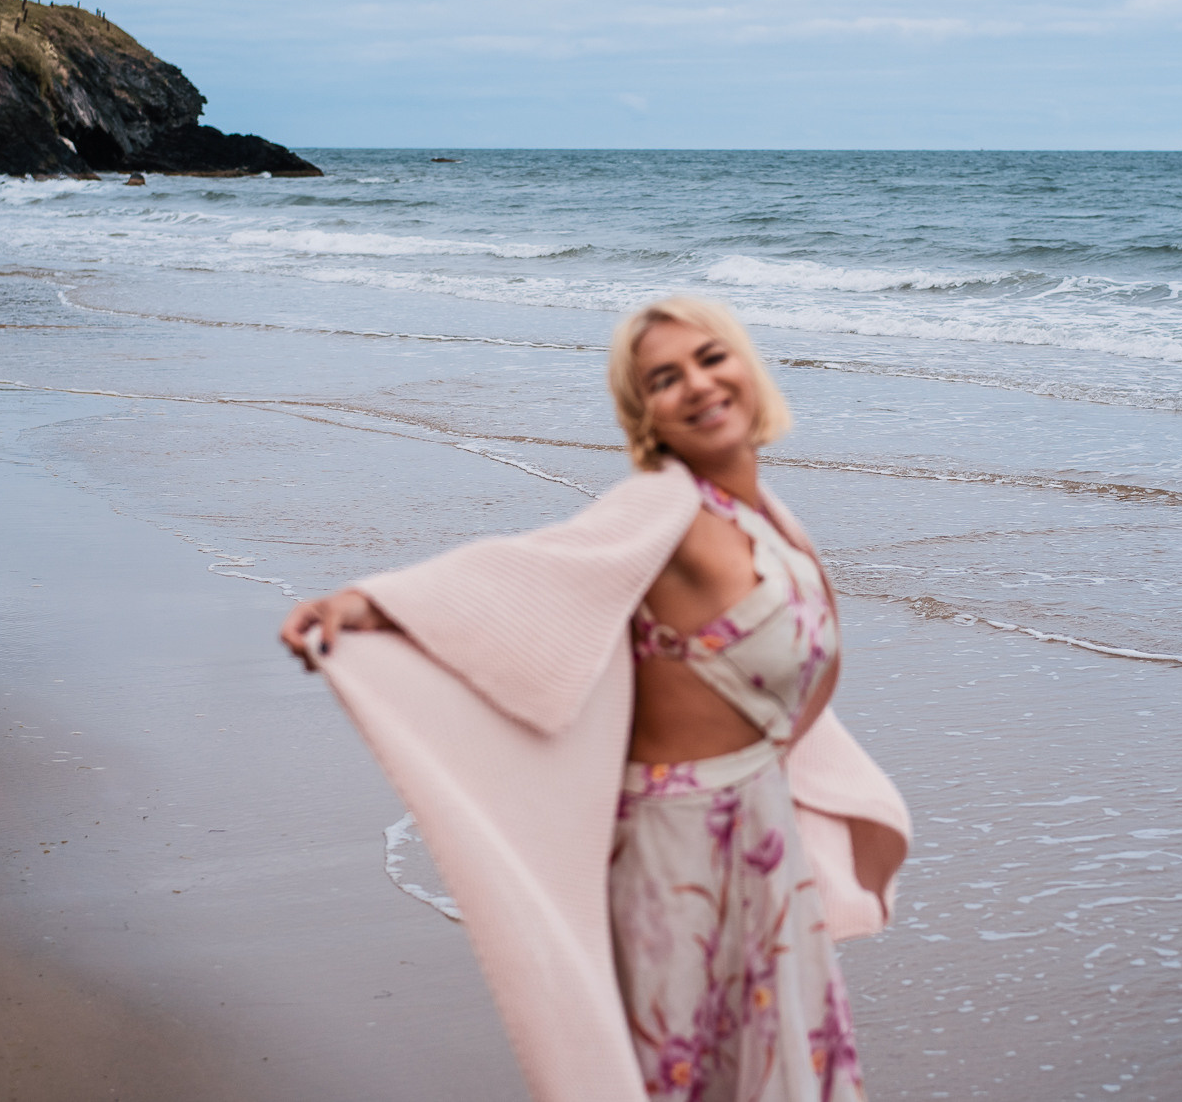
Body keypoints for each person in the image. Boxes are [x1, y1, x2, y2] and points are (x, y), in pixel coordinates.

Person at [279, 296, 909, 1102]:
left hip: (759, 835)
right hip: (676, 851)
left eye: (711, 357)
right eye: (663, 378)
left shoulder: (767, 516)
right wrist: (368, 605)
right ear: (642, 413)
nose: (698, 384)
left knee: (767, 1065)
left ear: (748, 366)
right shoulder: (666, 504)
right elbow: (531, 571)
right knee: (678, 1072)